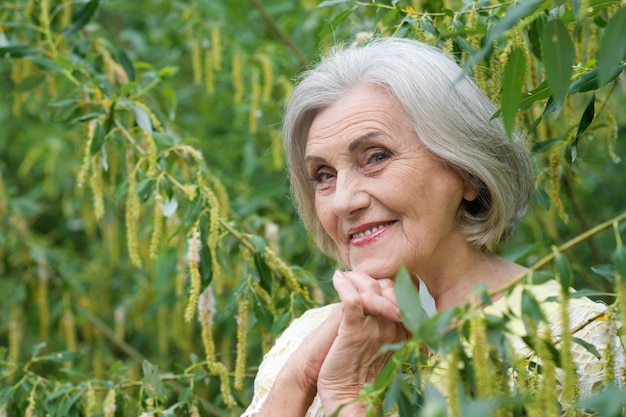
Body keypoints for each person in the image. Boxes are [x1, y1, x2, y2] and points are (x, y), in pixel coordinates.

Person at [241, 37, 623, 416]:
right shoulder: (302, 341)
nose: (342, 200)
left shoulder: (572, 341)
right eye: (323, 175)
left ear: (467, 171)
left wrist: (344, 397)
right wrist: (298, 381)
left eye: (375, 157)